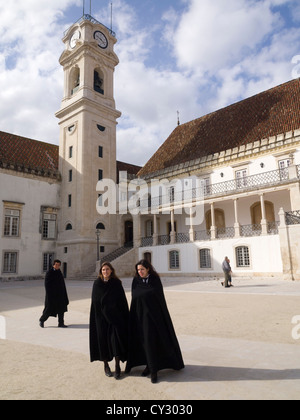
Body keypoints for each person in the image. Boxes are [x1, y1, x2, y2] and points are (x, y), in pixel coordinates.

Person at [125, 260, 184, 384]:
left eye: (142, 269)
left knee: (153, 343)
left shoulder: (155, 280)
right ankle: (148, 366)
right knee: (143, 343)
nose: (140, 272)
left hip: (154, 318)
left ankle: (154, 371)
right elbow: (134, 298)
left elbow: (159, 299)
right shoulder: (136, 281)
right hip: (140, 318)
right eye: (138, 270)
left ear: (148, 269)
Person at [89, 262, 129, 380]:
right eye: (103, 270)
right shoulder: (97, 284)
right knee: (103, 343)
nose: (105, 272)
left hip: (115, 318)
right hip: (101, 319)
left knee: (115, 342)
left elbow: (122, 301)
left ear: (111, 270)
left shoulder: (116, 283)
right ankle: (106, 365)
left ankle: (117, 366)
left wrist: (123, 316)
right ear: (101, 272)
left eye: (107, 269)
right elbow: (95, 302)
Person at [39, 259, 69, 328]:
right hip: (52, 296)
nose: (57, 266)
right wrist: (50, 294)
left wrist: (64, 294)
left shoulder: (59, 272)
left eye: (59, 265)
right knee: (48, 309)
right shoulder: (49, 273)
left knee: (61, 309)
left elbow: (62, 284)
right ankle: (42, 320)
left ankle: (61, 323)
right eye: (56, 265)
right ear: (53, 265)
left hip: (60, 295)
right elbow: (47, 284)